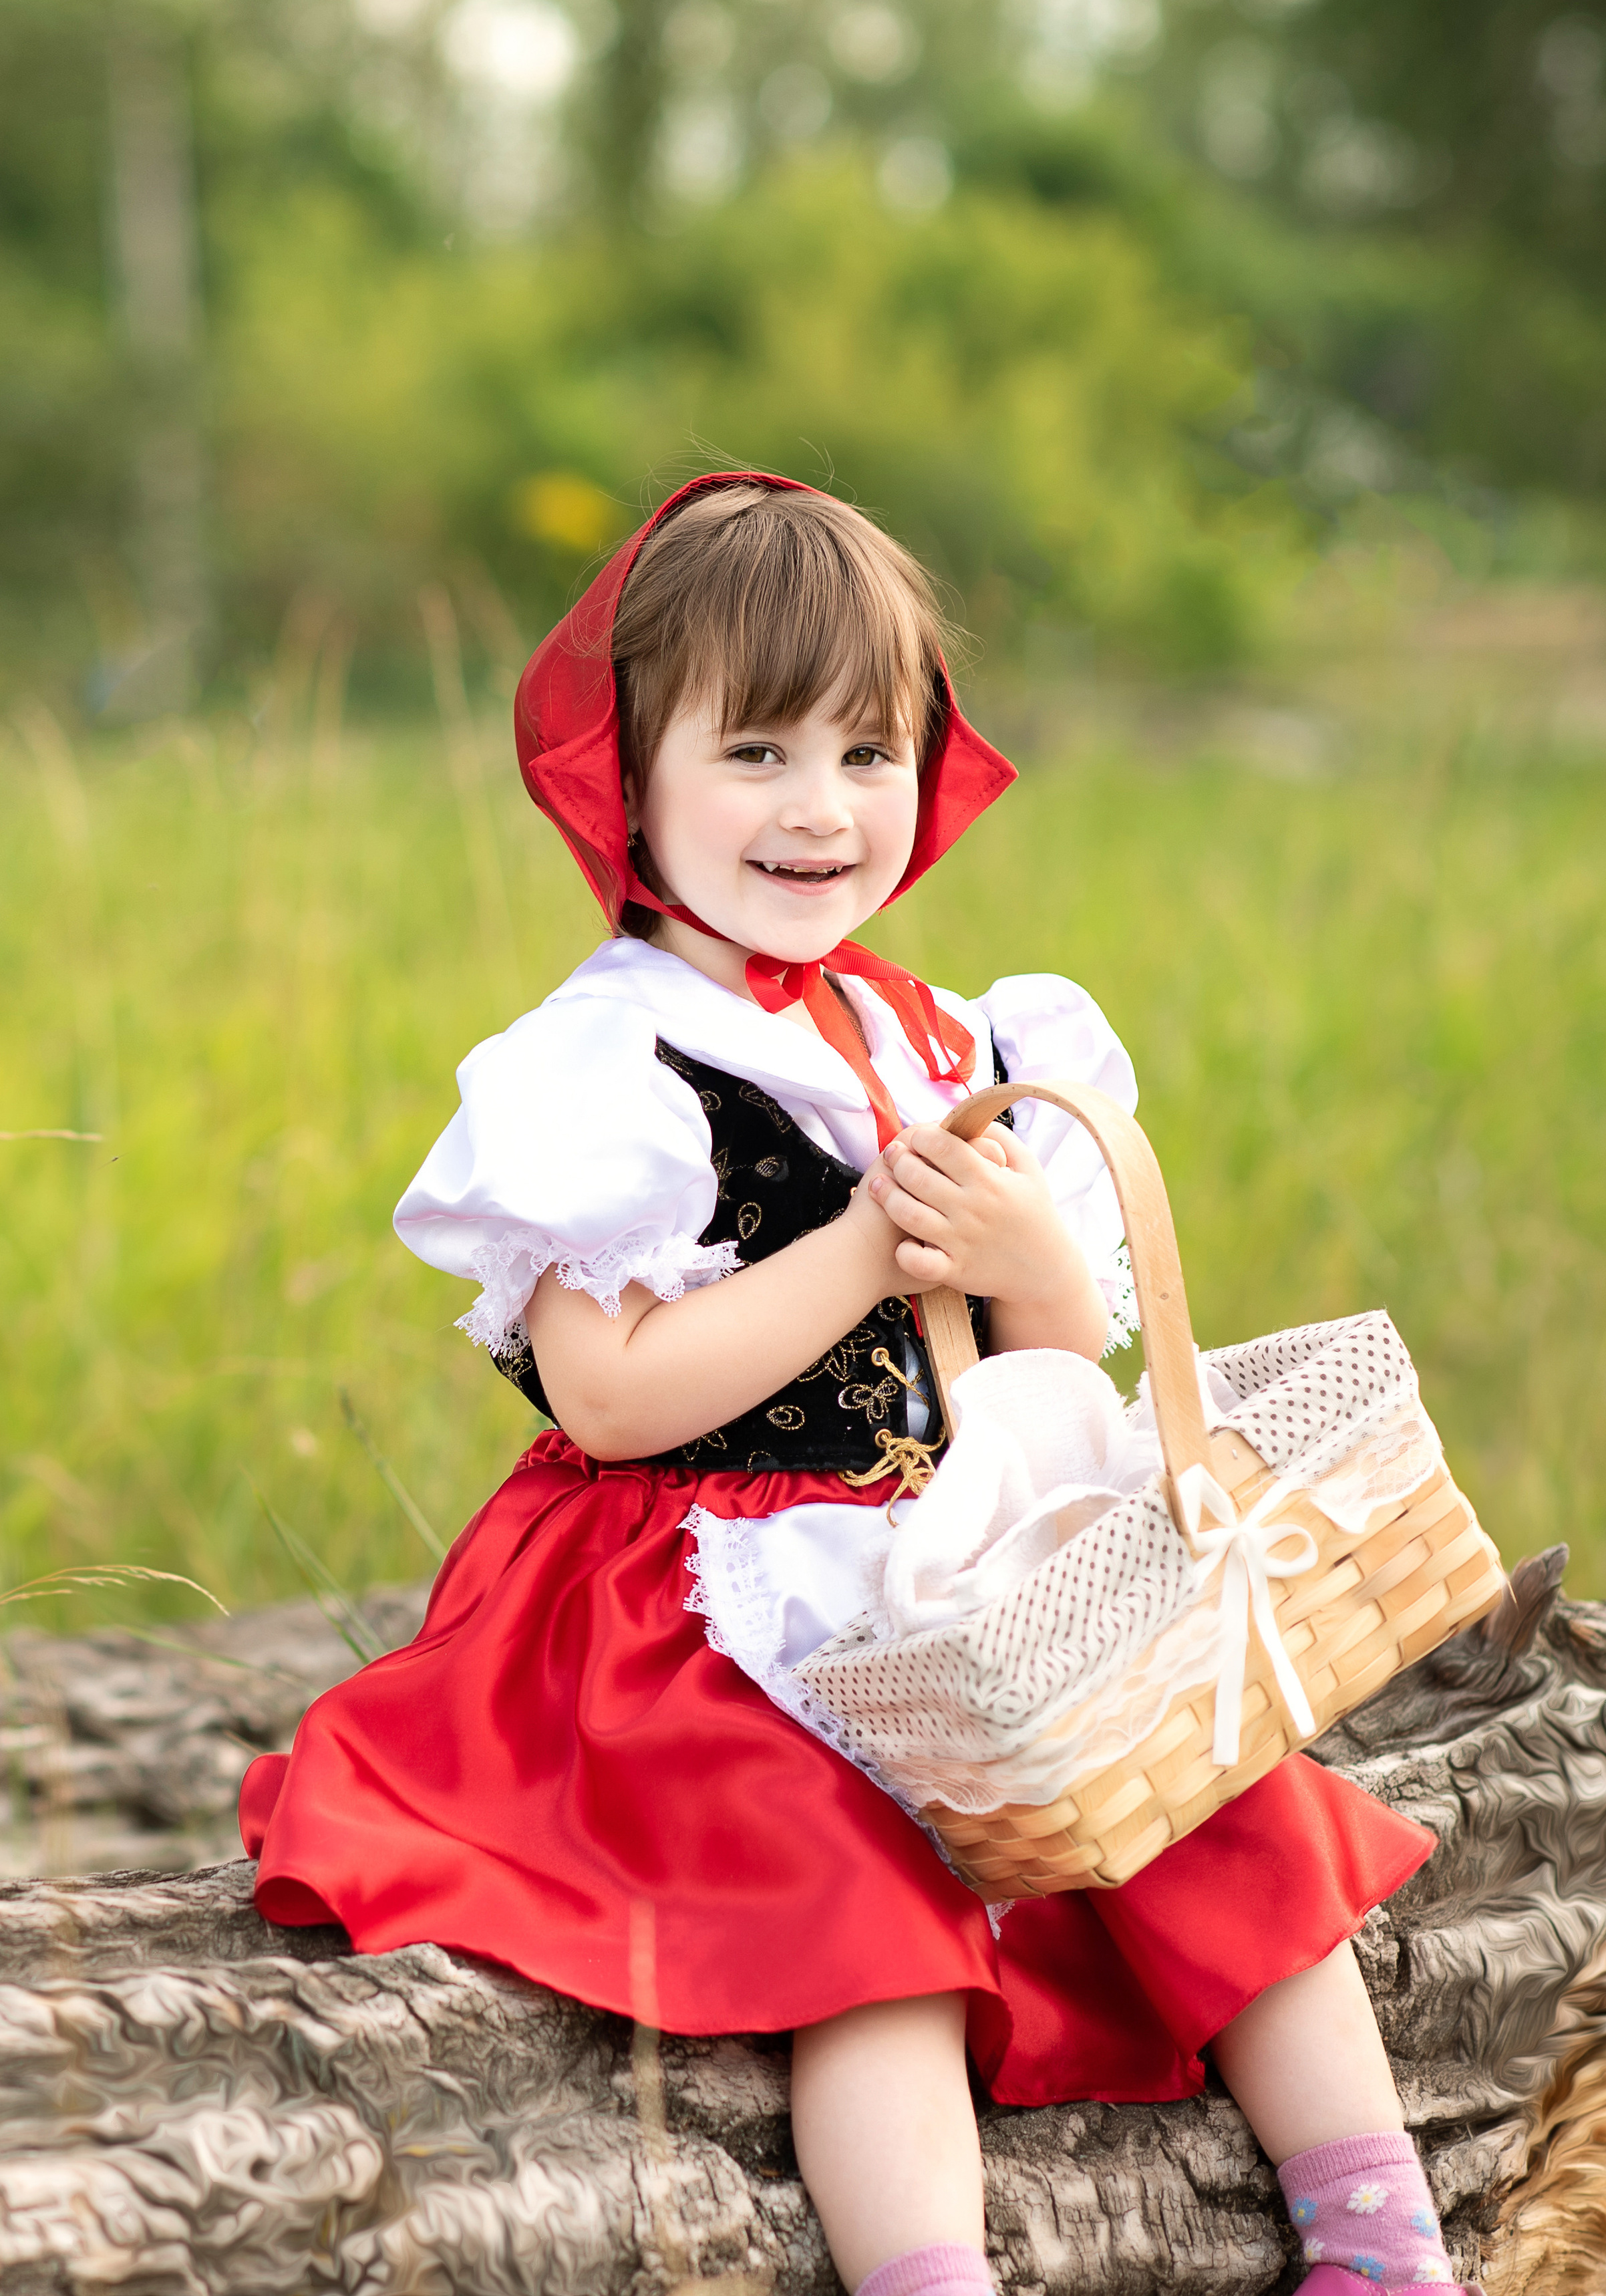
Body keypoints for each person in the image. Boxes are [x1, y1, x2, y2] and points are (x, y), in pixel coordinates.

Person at [241, 472, 1469, 2296]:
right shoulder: (610, 1065)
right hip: (691, 1599)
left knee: (1219, 1789)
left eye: (867, 751)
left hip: (943, 1543)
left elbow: (1056, 1373)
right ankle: (926, 2276)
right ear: (626, 774)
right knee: (861, 1910)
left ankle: (1379, 2236)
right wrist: (864, 1250)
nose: (819, 809)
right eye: (754, 751)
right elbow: (610, 1403)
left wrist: (1032, 1263)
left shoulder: (953, 1034)